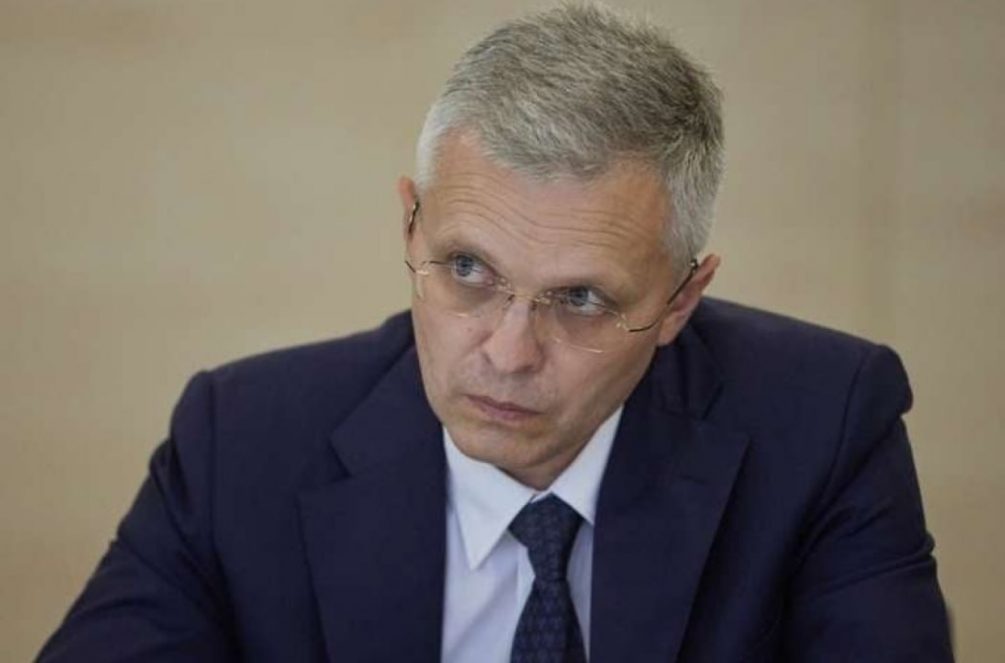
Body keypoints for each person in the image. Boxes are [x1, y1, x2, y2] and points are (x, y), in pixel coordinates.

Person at [39, 3, 952, 661]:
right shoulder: (238, 441)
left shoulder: (825, 425)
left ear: (680, 300)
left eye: (580, 298)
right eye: (469, 270)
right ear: (411, 229)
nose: (508, 354)